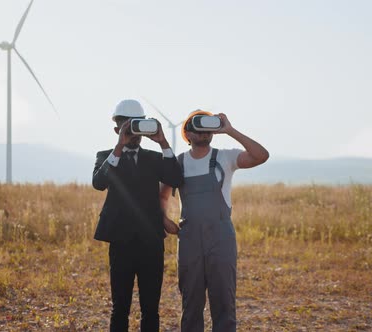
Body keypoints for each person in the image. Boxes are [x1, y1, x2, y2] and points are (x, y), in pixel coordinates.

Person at [160, 110, 269, 332]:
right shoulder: (178, 163)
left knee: (224, 302)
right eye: (199, 127)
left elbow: (261, 155)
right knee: (191, 303)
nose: (205, 132)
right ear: (187, 133)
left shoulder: (225, 157)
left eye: (209, 127)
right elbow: (163, 195)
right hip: (190, 239)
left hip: (221, 239)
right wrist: (163, 219)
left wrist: (229, 129)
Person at [92, 99, 183, 332]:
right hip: (120, 242)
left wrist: (163, 141)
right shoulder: (106, 156)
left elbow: (176, 177)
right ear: (117, 129)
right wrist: (119, 148)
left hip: (151, 242)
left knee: (151, 309)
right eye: (128, 126)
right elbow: (99, 183)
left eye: (138, 125)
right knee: (120, 307)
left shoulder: (154, 158)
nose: (134, 132)